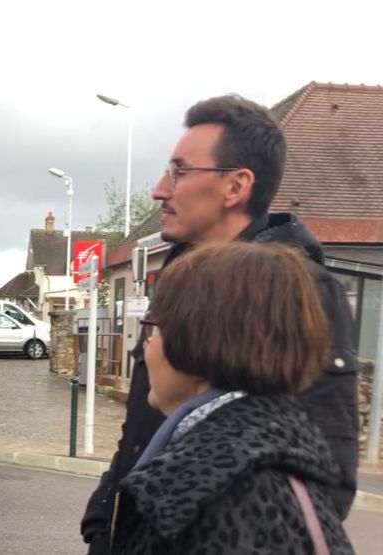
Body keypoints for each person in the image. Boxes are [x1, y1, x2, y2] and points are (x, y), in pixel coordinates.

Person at [82, 95, 359, 551]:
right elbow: (144, 428)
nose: (159, 189)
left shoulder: (297, 292)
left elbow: (323, 470)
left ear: (236, 187)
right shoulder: (183, 278)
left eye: (180, 171)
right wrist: (104, 519)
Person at [109, 242, 354, 554]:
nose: (146, 348)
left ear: (197, 343)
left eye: (154, 330)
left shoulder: (219, 493)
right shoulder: (270, 456)